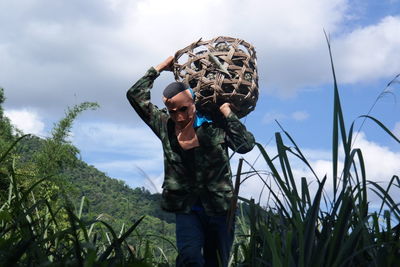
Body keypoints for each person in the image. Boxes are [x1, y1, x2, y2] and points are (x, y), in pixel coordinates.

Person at [126, 56, 255, 267]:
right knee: (190, 257)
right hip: (187, 210)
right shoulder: (164, 126)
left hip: (220, 209)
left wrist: (227, 112)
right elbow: (134, 95)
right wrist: (158, 68)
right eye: (172, 111)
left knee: (218, 262)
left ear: (192, 103)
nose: (178, 116)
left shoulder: (216, 124)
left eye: (183, 109)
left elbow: (245, 145)